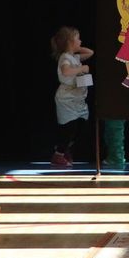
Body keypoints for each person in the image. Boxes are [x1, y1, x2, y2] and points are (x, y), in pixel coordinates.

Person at [51, 26, 94, 168]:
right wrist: (81, 68)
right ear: (70, 42)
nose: (81, 41)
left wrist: (77, 47)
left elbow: (90, 52)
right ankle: (59, 154)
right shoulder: (65, 58)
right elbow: (66, 71)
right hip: (67, 98)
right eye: (78, 39)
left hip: (77, 99)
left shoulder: (74, 57)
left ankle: (65, 148)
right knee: (69, 128)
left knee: (81, 125)